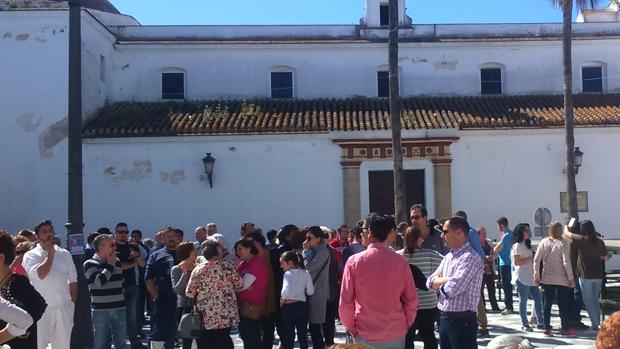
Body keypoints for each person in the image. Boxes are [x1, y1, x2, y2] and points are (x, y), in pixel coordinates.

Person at [341, 214, 418, 348]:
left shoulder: (354, 262)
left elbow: (346, 302)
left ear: (369, 231)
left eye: (362, 229)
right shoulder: (401, 262)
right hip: (395, 331)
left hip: (365, 331)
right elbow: (411, 299)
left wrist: (352, 329)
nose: (361, 233)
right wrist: (405, 324)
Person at [426, 216, 483, 349]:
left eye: (445, 232)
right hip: (444, 319)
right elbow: (428, 282)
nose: (442, 236)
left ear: (459, 233)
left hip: (462, 322)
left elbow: (452, 289)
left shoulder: (469, 258)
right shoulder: (448, 257)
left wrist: (439, 282)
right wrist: (446, 279)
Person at [22, 220, 77, 349]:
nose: (49, 234)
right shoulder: (30, 256)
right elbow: (39, 275)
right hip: (41, 312)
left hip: (63, 310)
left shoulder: (65, 254)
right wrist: (50, 254)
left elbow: (73, 279)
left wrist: (71, 304)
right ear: (37, 237)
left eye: (50, 230)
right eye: (44, 231)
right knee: (40, 346)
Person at [186, 239, 243, 349]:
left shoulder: (198, 269)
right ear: (218, 251)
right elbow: (239, 284)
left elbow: (189, 293)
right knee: (224, 338)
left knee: (208, 341)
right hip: (226, 311)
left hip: (206, 313)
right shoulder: (227, 266)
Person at [0, 230, 46, 349]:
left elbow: (39, 305)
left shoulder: (18, 281)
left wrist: (23, 328)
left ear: (1, 258)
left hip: (19, 343)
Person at [399, 226, 442, 349]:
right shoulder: (431, 255)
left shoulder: (398, 256)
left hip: (406, 303)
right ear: (419, 239)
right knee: (428, 335)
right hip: (428, 302)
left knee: (408, 337)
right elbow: (446, 265)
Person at [83, 234, 129, 349]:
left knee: (121, 343)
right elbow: (98, 283)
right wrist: (110, 265)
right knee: (100, 343)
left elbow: (120, 282)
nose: (115, 247)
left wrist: (112, 264)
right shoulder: (89, 264)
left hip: (119, 308)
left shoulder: (117, 261)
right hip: (100, 310)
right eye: (112, 245)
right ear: (101, 247)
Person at [563, 220, 609, 331]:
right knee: (595, 300)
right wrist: (598, 257)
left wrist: (566, 225)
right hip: (598, 275)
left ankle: (595, 324)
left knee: (588, 300)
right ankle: (598, 321)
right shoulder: (599, 242)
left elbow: (567, 234)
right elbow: (606, 257)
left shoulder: (581, 240)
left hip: (585, 275)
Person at [533, 221, 575, 337]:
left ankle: (546, 327)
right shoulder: (562, 244)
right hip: (561, 278)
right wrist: (570, 278)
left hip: (547, 277)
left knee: (547, 302)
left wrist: (537, 275)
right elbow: (566, 262)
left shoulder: (543, 242)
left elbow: (536, 259)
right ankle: (565, 328)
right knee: (563, 304)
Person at [145, 227, 179, 349]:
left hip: (183, 299)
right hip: (163, 299)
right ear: (162, 239)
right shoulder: (156, 255)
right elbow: (148, 278)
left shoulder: (185, 253)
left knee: (183, 331)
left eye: (172, 236)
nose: (170, 238)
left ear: (177, 237)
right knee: (161, 330)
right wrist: (155, 296)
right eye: (167, 236)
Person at [245, 231, 279, 349]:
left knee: (268, 332)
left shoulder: (273, 255)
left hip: (271, 301)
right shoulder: (248, 260)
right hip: (253, 303)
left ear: (258, 242)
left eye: (250, 243)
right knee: (252, 336)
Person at [115, 223, 147, 349]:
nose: (123, 234)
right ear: (116, 233)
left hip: (132, 285)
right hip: (116, 286)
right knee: (117, 316)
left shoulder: (133, 246)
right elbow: (119, 266)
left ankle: (135, 342)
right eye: (120, 232)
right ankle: (119, 342)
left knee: (131, 316)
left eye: (125, 232)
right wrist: (134, 262)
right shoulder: (112, 246)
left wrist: (137, 256)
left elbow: (143, 264)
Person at [235, 239, 268, 349]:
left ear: (249, 248)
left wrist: (240, 286)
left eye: (240, 249)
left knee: (253, 338)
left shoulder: (257, 263)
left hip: (252, 307)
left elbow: (241, 285)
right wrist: (241, 286)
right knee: (246, 337)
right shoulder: (242, 264)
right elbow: (236, 283)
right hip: (241, 306)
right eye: (236, 250)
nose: (238, 252)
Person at [301, 226, 331, 349]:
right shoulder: (314, 250)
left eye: (310, 238)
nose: (307, 240)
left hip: (318, 292)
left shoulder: (322, 251)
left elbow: (307, 267)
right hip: (310, 290)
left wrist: (306, 252)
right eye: (306, 237)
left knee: (315, 326)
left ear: (318, 239)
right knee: (312, 327)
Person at [511, 223, 543, 332]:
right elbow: (517, 262)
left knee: (538, 299)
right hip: (522, 277)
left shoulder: (528, 244)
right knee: (523, 300)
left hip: (531, 276)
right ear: (521, 232)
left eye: (528, 230)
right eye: (526, 231)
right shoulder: (517, 245)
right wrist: (530, 258)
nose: (528, 232)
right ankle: (524, 323)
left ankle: (540, 322)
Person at [279, 251, 314, 349]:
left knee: (289, 335)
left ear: (290, 263)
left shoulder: (287, 274)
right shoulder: (305, 273)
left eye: (282, 263)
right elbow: (311, 291)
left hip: (289, 307)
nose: (281, 266)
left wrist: (282, 300)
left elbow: (285, 290)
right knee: (302, 334)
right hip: (302, 306)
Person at [171, 242, 198, 349]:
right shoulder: (176, 269)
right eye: (193, 250)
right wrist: (184, 273)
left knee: (202, 338)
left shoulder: (198, 268)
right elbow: (177, 290)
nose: (196, 252)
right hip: (185, 307)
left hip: (200, 306)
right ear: (188, 252)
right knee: (187, 339)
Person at [130, 229, 150, 335]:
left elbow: (145, 255)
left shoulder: (141, 248)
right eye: (132, 236)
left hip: (141, 280)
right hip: (130, 281)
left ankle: (139, 328)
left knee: (139, 306)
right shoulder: (128, 247)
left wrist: (136, 245)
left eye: (135, 236)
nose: (133, 238)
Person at [494, 216, 514, 315]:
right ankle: (510, 305)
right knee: (509, 286)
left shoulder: (506, 236)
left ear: (501, 225)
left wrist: (497, 249)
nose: (498, 228)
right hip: (510, 263)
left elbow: (497, 249)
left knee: (506, 286)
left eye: (498, 225)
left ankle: (509, 306)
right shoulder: (512, 234)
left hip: (504, 263)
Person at [477, 227, 500, 312]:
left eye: (485, 234)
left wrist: (492, 257)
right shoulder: (476, 244)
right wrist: (483, 258)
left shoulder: (489, 242)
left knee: (491, 288)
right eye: (482, 234)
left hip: (490, 269)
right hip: (481, 269)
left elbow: (496, 253)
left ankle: (495, 306)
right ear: (478, 235)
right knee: (481, 289)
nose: (484, 236)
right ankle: (483, 308)